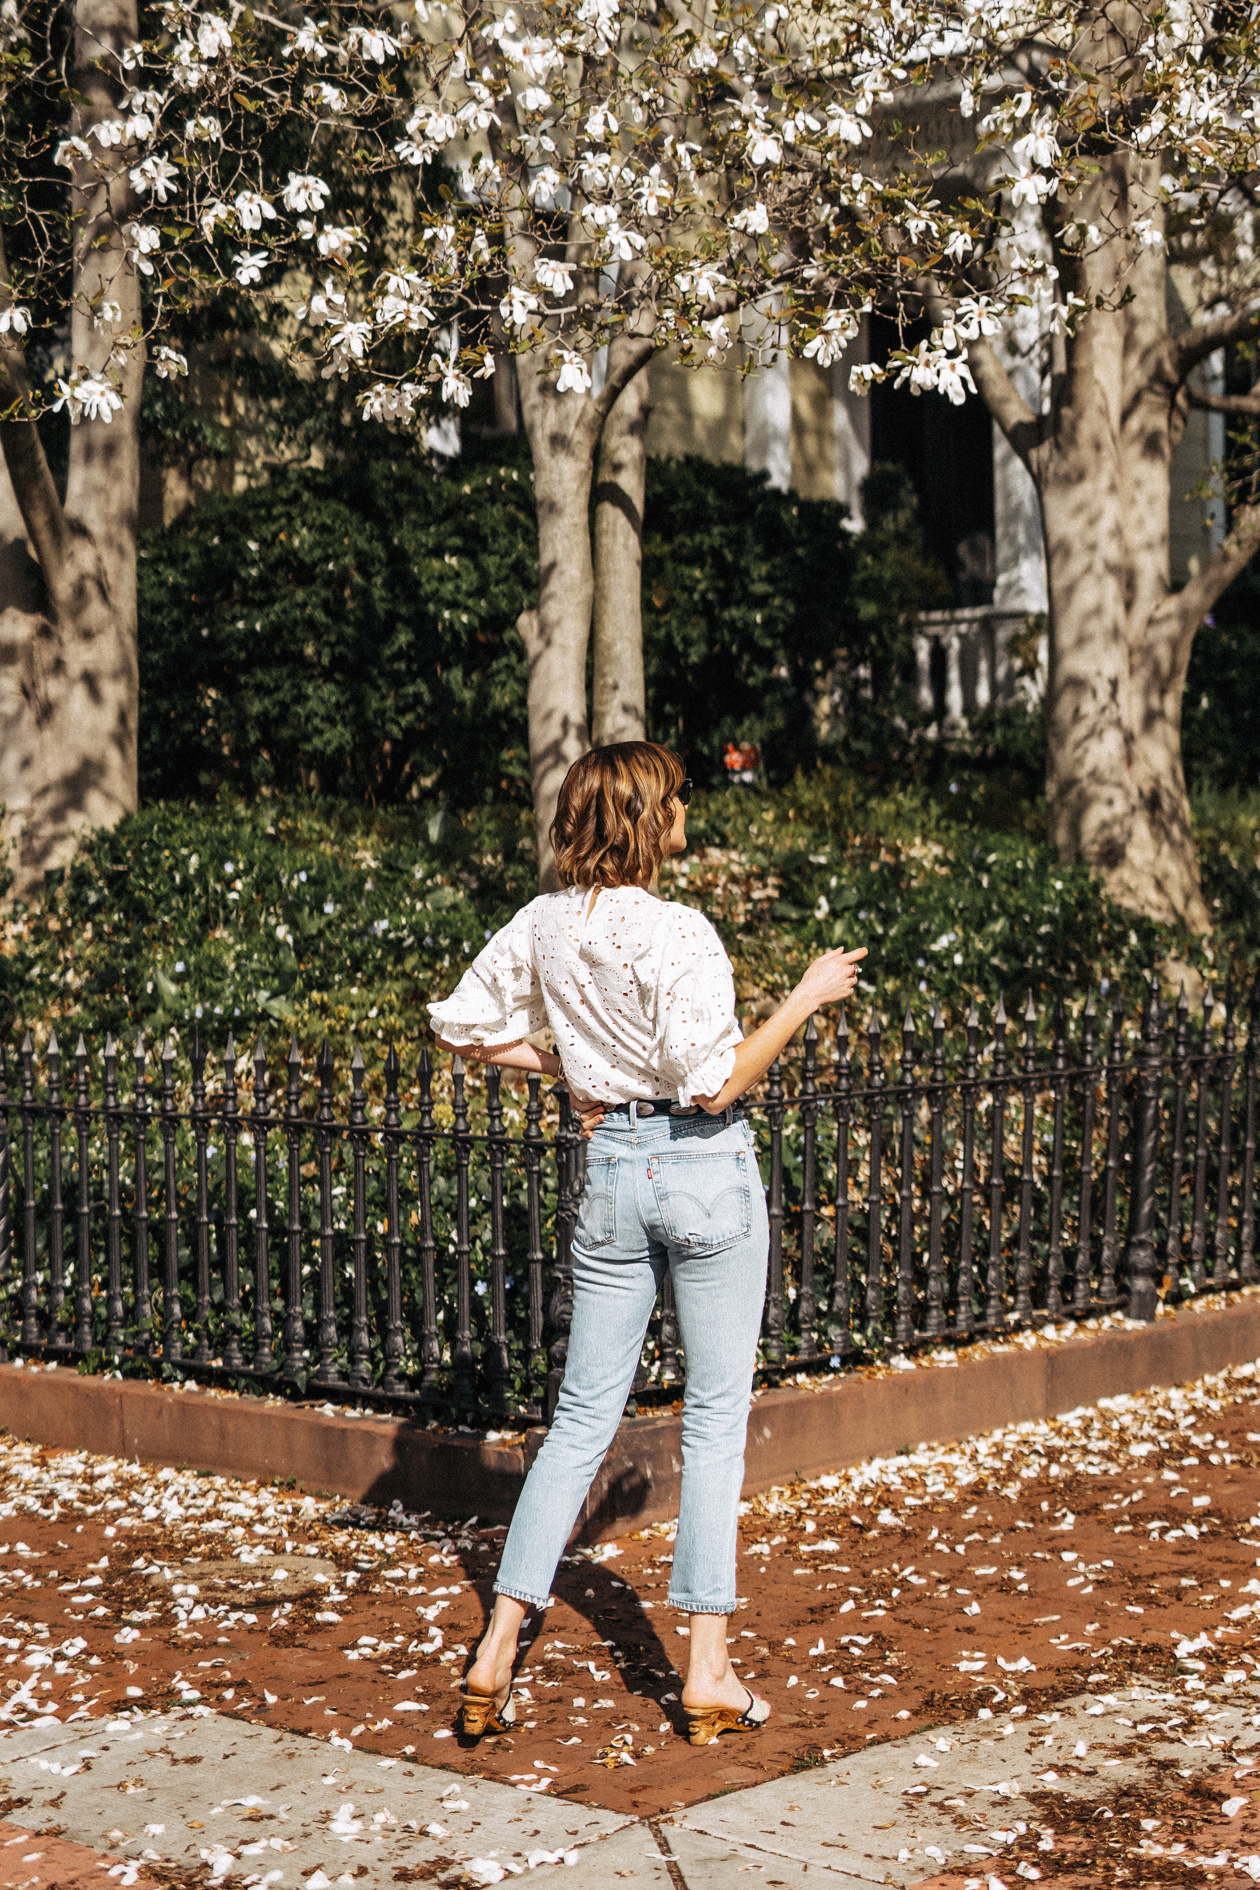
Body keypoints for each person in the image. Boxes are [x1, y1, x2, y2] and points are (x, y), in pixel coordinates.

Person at [428, 741, 865, 1747]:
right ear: (644, 818)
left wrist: (570, 1074)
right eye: (675, 796)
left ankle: (494, 1652)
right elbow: (716, 1085)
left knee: (579, 1420)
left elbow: (463, 1031)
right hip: (705, 1171)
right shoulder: (680, 934)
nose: (686, 807)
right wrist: (805, 995)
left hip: (614, 1173)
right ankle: (706, 1675)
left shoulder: (542, 924)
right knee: (713, 1422)